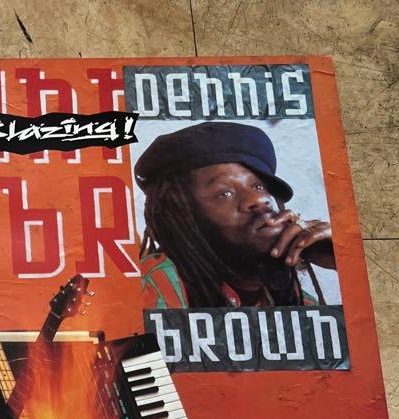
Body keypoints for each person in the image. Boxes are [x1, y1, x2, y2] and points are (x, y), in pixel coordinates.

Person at [135, 121, 335, 309]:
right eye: (225, 193)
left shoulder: (295, 299)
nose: (258, 199)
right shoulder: (154, 287)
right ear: (183, 217)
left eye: (258, 186)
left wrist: (342, 259)